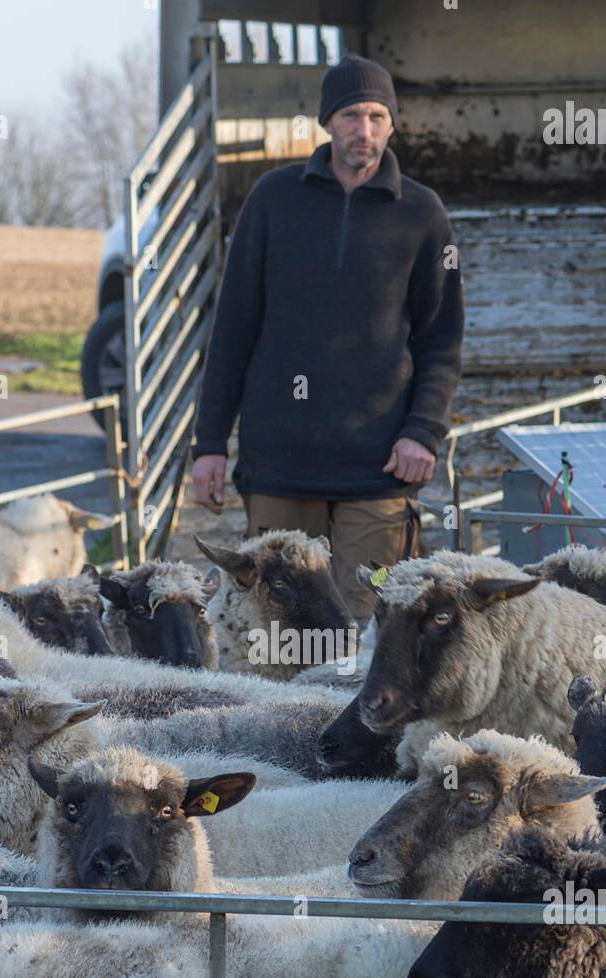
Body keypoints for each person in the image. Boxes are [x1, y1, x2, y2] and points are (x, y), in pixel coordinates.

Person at [190, 52, 464, 620]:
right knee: (279, 629)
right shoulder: (272, 200)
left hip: (380, 467)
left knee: (369, 628)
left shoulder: (421, 213)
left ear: (391, 124)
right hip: (278, 464)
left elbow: (442, 338)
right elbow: (232, 328)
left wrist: (423, 432)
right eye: (350, 116)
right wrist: (210, 444)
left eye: (375, 117)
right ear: (326, 121)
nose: (363, 130)